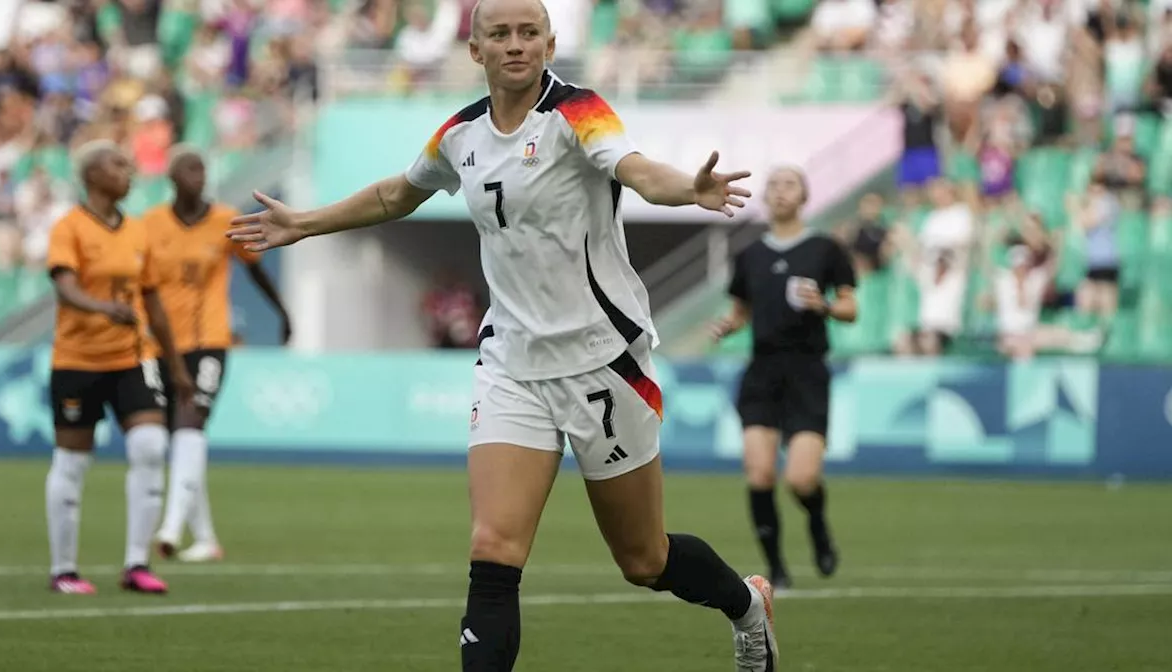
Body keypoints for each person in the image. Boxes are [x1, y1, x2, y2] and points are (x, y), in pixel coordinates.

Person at [226, 0, 779, 668]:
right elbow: (397, 196)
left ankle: (747, 607)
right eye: (499, 34)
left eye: (528, 34)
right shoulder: (459, 135)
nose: (516, 45)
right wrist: (305, 223)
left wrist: (686, 190)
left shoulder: (580, 113)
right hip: (511, 362)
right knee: (493, 546)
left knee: (644, 558)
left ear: (548, 43)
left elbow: (636, 169)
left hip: (604, 364)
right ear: (474, 50)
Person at [44, 140, 194, 595]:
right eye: (117, 164)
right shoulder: (69, 228)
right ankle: (64, 570)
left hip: (132, 357)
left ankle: (136, 564)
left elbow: (153, 301)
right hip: (77, 361)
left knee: (150, 446)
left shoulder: (137, 232)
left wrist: (177, 366)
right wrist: (102, 308)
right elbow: (65, 287)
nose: (128, 170)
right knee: (72, 461)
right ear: (92, 176)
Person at [711, 166, 858, 590]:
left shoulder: (825, 248)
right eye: (772, 185)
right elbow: (741, 311)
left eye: (788, 184)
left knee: (801, 478)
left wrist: (825, 307)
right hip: (762, 370)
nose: (779, 192)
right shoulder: (750, 254)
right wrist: (729, 326)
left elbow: (851, 308)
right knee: (759, 474)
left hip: (807, 371)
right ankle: (775, 568)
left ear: (805, 196)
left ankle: (817, 523)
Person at [146, 147, 292, 563]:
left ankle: (171, 527)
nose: (199, 175)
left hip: (210, 341)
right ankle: (206, 538)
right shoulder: (151, 225)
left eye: (202, 168)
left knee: (191, 420)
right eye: (190, 168)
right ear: (172, 177)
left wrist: (282, 312)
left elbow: (256, 268)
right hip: (162, 344)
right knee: (179, 437)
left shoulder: (224, 220)